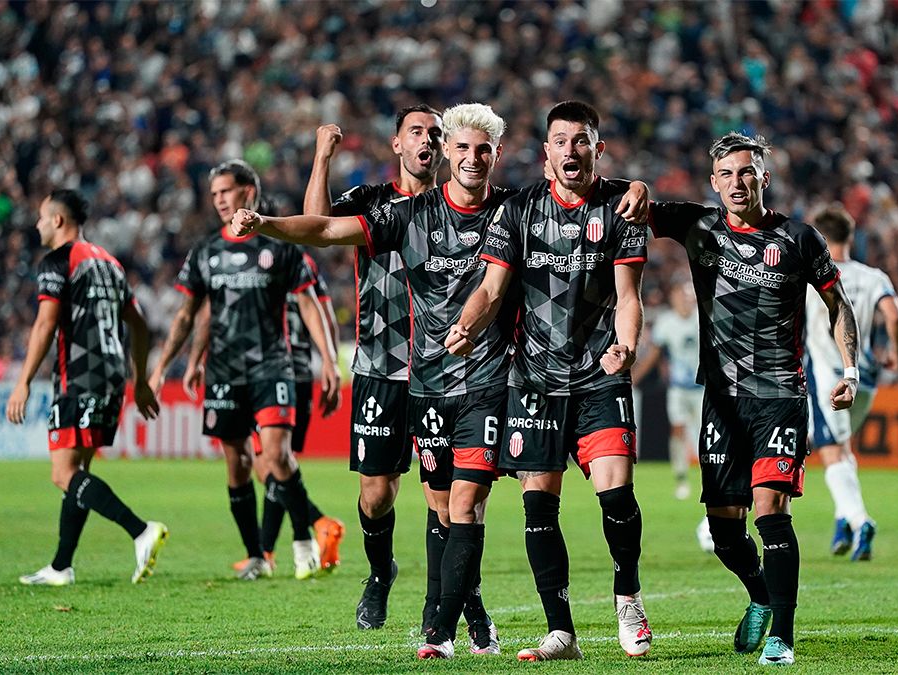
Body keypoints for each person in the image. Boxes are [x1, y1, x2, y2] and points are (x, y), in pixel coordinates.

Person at [233, 103, 648, 659]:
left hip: (495, 378)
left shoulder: (510, 209)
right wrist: (265, 223)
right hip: (421, 378)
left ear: (497, 155)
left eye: (483, 150)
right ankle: (445, 601)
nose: (472, 158)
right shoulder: (408, 213)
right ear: (446, 152)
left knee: (471, 502)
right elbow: (326, 227)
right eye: (462, 147)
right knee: (427, 505)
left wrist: (636, 186)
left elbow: (523, 261)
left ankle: (443, 631)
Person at [445, 100, 652, 662]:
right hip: (534, 379)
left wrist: (626, 346)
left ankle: (628, 596)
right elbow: (491, 288)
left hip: (599, 375)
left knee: (617, 493)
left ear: (597, 149)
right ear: (546, 153)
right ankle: (561, 632)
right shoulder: (519, 210)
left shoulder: (621, 209)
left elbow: (628, 297)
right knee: (539, 507)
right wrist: (466, 324)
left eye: (581, 140)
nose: (571, 150)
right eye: (560, 141)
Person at [648, 132, 858, 667]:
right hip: (722, 399)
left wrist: (850, 370)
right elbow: (631, 205)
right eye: (727, 174)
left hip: (779, 394)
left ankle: (782, 636)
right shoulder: (698, 225)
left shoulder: (799, 238)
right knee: (724, 531)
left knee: (770, 510)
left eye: (747, 172)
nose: (737, 182)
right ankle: (761, 594)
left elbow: (838, 304)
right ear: (713, 182)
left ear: (764, 177)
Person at [300, 109, 453, 631]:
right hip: (378, 365)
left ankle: (443, 603)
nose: (428, 140)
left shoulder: (458, 204)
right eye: (417, 132)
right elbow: (317, 227)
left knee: (444, 497)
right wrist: (323, 157)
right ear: (397, 144)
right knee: (376, 493)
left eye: (436, 134)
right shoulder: (370, 200)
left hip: (439, 369)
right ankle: (380, 572)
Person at [149, 160, 332, 581]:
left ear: (248, 192)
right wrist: (166, 368)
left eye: (226, 191)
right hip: (224, 371)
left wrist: (326, 360)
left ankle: (303, 539)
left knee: (277, 454)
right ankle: (257, 556)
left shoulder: (281, 245)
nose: (218, 200)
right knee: (237, 465)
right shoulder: (206, 251)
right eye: (214, 194)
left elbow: (309, 304)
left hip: (272, 366)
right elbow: (193, 314)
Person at [6, 189, 168, 586]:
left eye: (41, 217)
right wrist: (140, 380)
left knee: (63, 473)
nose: (37, 225)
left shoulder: (58, 261)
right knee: (80, 473)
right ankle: (61, 566)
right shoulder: (109, 262)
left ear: (58, 220)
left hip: (79, 375)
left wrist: (22, 381)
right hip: (112, 375)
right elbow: (140, 324)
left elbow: (45, 324)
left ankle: (141, 531)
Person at [804, 205, 898, 561]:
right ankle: (842, 524)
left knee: (832, 452)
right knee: (844, 449)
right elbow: (894, 315)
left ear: (820, 238)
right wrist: (895, 352)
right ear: (850, 237)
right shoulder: (873, 276)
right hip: (865, 377)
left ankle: (861, 521)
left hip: (830, 376)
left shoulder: (812, 274)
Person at [632, 280, 704, 501]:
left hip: (702, 388)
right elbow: (654, 353)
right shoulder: (666, 322)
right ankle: (681, 478)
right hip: (678, 389)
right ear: (673, 297)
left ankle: (709, 479)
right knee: (678, 429)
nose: (685, 300)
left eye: (688, 296)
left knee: (705, 435)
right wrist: (633, 378)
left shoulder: (701, 319)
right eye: (681, 295)